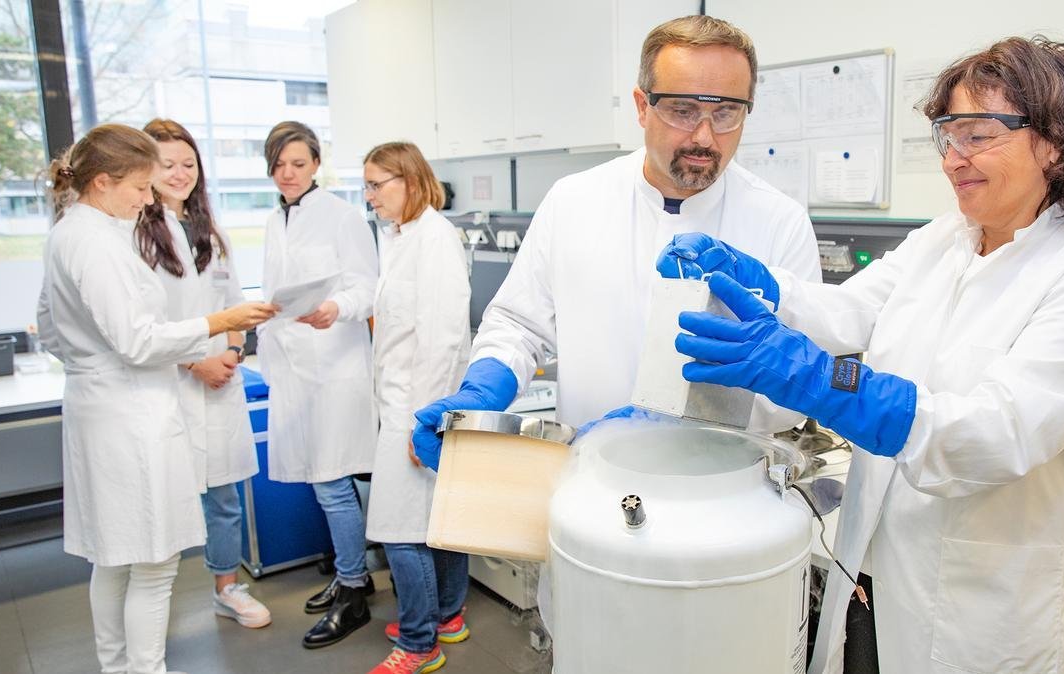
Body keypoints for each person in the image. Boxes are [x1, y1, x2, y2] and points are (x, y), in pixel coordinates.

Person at [663, 37, 1064, 673]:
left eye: (979, 135)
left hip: (977, 607)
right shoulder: (947, 237)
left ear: (1055, 141)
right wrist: (758, 281)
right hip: (871, 567)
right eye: (948, 135)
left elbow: (992, 435)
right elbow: (846, 311)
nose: (953, 159)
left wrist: (817, 380)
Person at [411, 14, 821, 468]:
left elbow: (795, 388)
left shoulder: (780, 221)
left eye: (726, 112)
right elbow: (519, 325)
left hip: (722, 486)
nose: (705, 136)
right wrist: (484, 389)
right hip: (589, 475)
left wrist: (684, 415)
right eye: (683, 110)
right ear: (642, 106)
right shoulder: (574, 200)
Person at [36, 124, 277, 674]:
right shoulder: (96, 242)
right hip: (131, 415)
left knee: (114, 560)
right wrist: (222, 321)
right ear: (102, 181)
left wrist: (87, 361)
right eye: (142, 186)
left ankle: (117, 667)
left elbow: (49, 326)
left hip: (102, 405)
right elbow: (139, 340)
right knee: (152, 564)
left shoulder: (69, 233)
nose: (150, 198)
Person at [137, 118, 271, 629]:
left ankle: (226, 587)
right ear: (145, 170)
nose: (179, 173)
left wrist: (231, 356)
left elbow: (235, 305)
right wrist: (196, 363)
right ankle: (153, 594)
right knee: (166, 495)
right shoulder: (136, 236)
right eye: (167, 164)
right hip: (170, 384)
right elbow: (143, 326)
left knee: (224, 496)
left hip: (222, 380)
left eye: (188, 163)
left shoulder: (210, 233)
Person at [257, 120, 380, 648]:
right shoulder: (273, 220)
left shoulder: (342, 216)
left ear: (316, 165)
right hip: (294, 366)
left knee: (332, 482)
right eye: (280, 164)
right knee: (321, 479)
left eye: (298, 164)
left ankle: (354, 591)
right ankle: (352, 572)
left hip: (334, 366)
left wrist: (335, 308)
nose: (288, 173)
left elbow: (368, 289)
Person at [360, 142, 471, 674]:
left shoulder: (435, 239)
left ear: (408, 179)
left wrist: (421, 421)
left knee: (400, 529)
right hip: (403, 403)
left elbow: (445, 338)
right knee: (437, 519)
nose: (369, 196)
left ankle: (419, 642)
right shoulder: (401, 238)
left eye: (376, 184)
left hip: (417, 407)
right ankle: (446, 616)